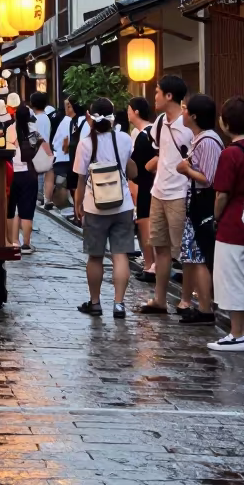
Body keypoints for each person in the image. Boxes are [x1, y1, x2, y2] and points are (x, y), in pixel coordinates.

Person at [72, 97, 137, 318]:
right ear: (113, 117)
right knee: (120, 255)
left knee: (95, 256)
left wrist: (78, 204)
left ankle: (95, 302)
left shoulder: (85, 144)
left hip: (94, 206)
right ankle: (119, 304)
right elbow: (131, 170)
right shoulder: (124, 139)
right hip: (122, 204)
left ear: (89, 117)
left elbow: (81, 179)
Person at [208, 96, 244, 352]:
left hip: (232, 222)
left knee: (232, 278)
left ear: (226, 123)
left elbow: (222, 194)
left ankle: (237, 333)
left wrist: (216, 217)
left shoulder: (230, 153)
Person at [138, 75, 194, 315]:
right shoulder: (160, 122)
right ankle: (159, 299)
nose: (155, 97)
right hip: (158, 191)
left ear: (169, 96)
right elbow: (161, 152)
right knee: (160, 247)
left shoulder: (188, 124)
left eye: (158, 92)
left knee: (185, 252)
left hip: (180, 192)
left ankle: (186, 300)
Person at [175, 93, 222, 325]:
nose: (182, 113)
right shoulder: (200, 139)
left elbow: (209, 179)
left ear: (194, 116)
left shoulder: (208, 141)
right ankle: (201, 305)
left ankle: (205, 308)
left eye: (185, 109)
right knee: (193, 256)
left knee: (200, 256)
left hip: (203, 204)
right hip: (195, 202)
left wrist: (186, 170)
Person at [127, 97, 157, 281]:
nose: (128, 113)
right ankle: (151, 264)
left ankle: (149, 265)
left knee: (145, 224)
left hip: (145, 184)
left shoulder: (143, 135)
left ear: (136, 111)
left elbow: (136, 166)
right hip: (154, 184)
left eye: (129, 109)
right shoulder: (153, 130)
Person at [5, 105, 40, 254]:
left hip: (13, 172)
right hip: (29, 173)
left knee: (11, 208)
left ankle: (13, 241)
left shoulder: (10, 129)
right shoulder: (34, 130)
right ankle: (26, 244)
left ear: (15, 116)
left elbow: (7, 150)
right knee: (27, 209)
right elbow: (41, 149)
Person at [29, 92, 56, 209]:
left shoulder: (33, 119)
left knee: (34, 174)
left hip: (36, 149)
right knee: (49, 173)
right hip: (47, 148)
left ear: (32, 104)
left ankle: (36, 198)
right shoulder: (46, 118)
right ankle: (47, 199)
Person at [51, 97, 74, 212]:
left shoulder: (67, 121)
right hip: (66, 156)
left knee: (63, 182)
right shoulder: (68, 121)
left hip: (62, 157)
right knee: (64, 183)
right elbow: (65, 140)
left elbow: (58, 141)